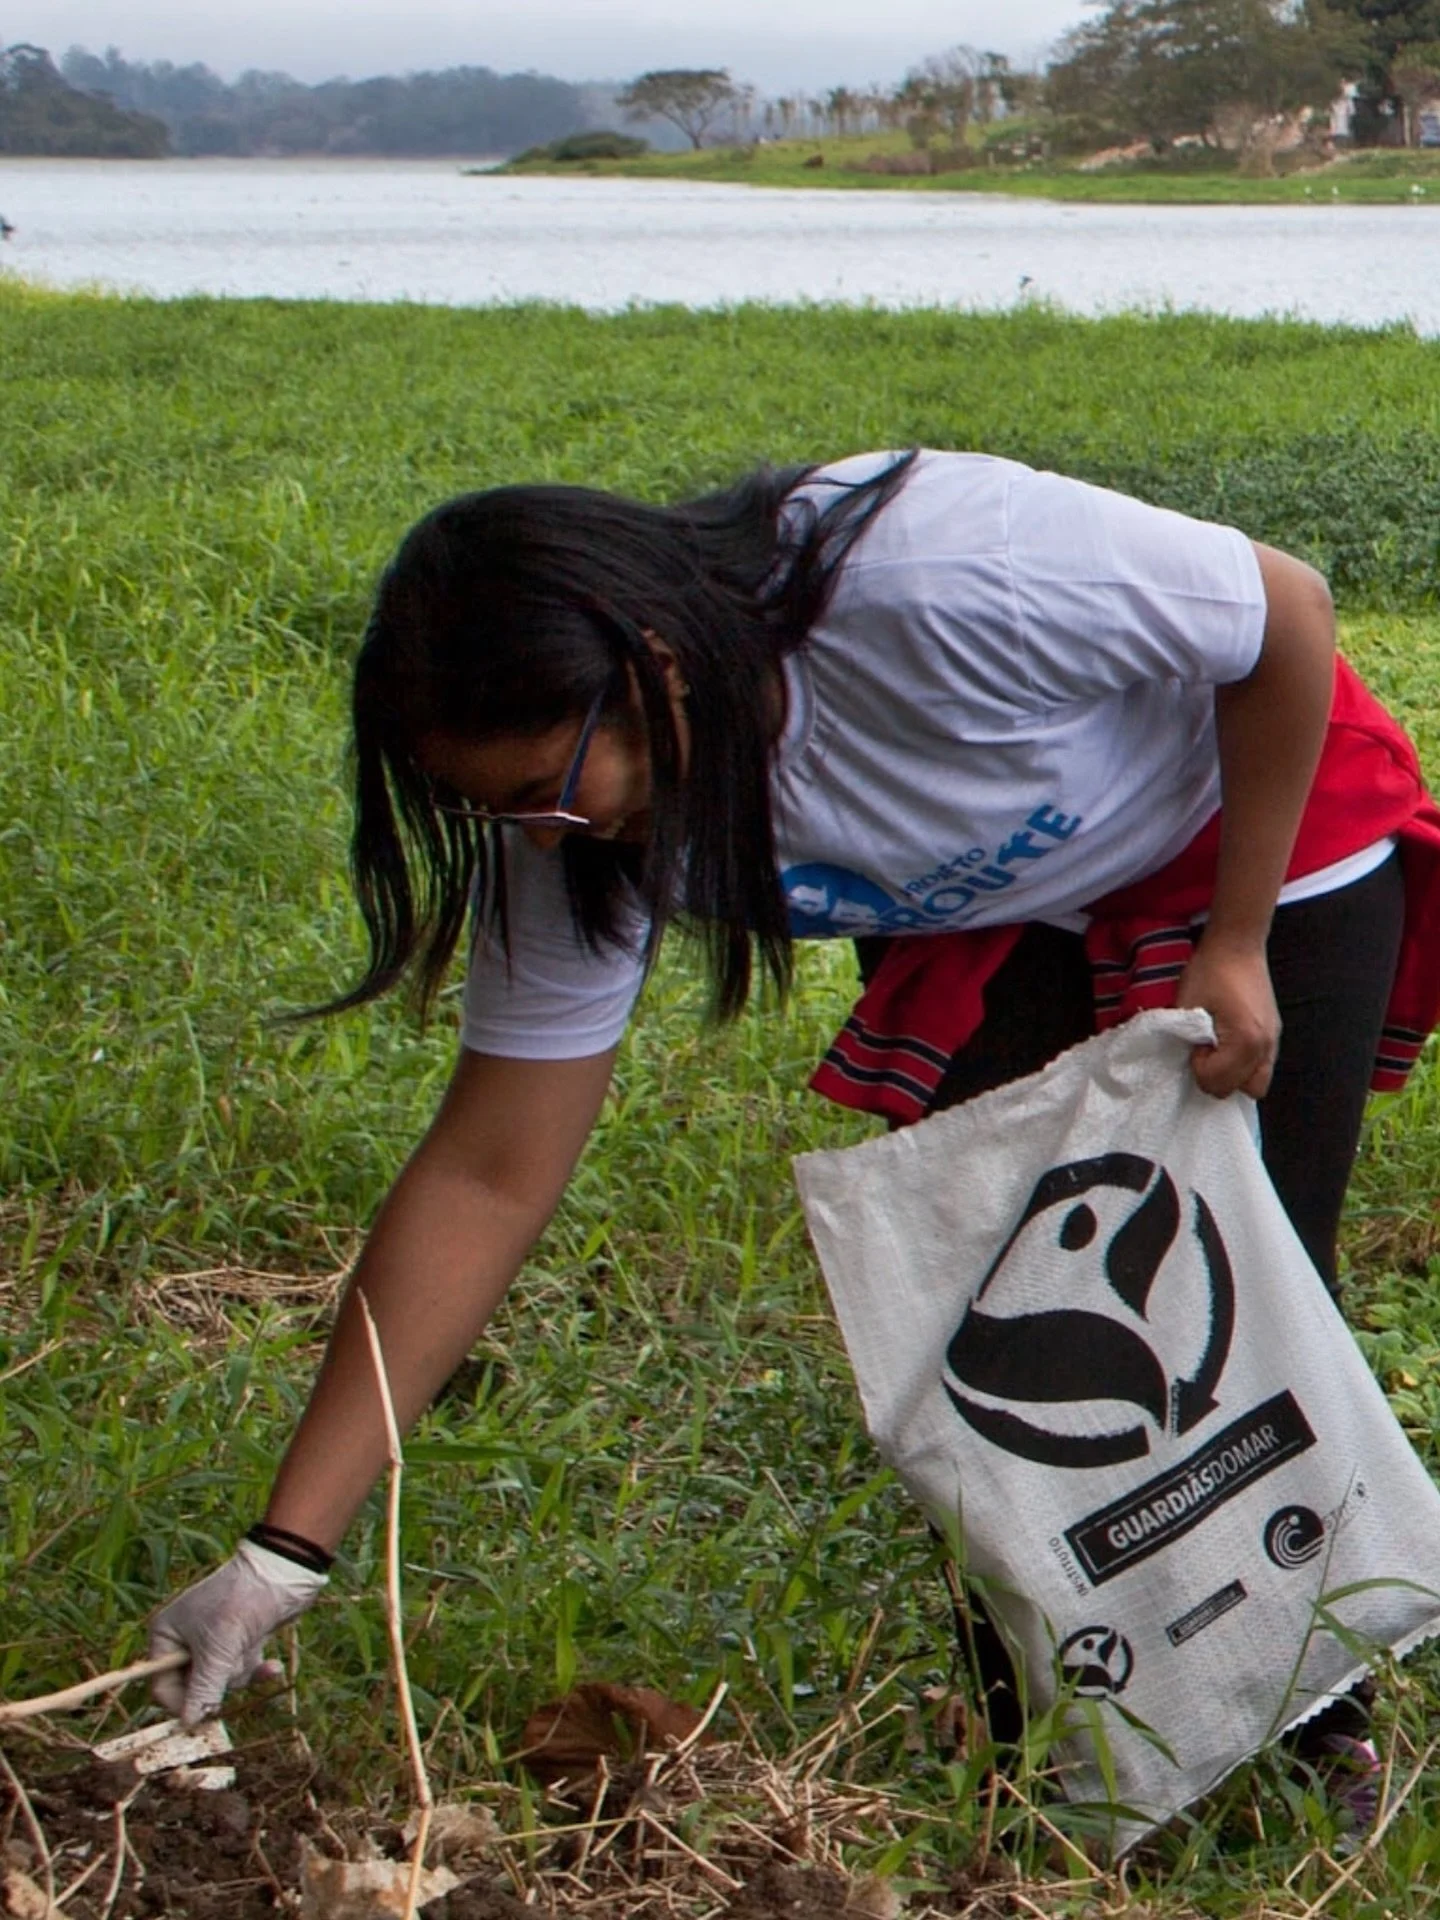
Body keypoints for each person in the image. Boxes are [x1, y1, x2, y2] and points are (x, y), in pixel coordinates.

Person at [149, 448, 1440, 1824]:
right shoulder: (577, 838)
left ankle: (1309, 1744)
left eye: (549, 788)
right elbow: (486, 1174)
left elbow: (1284, 613)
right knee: (1000, 1329)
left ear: (651, 667)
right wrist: (281, 1556)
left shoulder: (943, 574)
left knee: (1233, 1290)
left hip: (1249, 826)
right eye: (499, 812)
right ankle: (1054, 1729)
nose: (549, 833)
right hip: (1009, 901)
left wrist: (1235, 938)